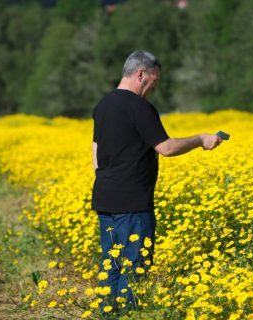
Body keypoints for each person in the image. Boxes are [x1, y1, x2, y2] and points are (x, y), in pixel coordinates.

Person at [91, 50, 223, 314]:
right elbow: (166, 147)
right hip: (133, 206)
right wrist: (201, 140)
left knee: (111, 267)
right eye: (154, 80)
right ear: (141, 74)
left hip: (105, 201)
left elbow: (95, 151)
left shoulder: (103, 105)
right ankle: (129, 316)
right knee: (134, 269)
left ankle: (108, 315)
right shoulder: (139, 107)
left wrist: (109, 181)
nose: (154, 87)